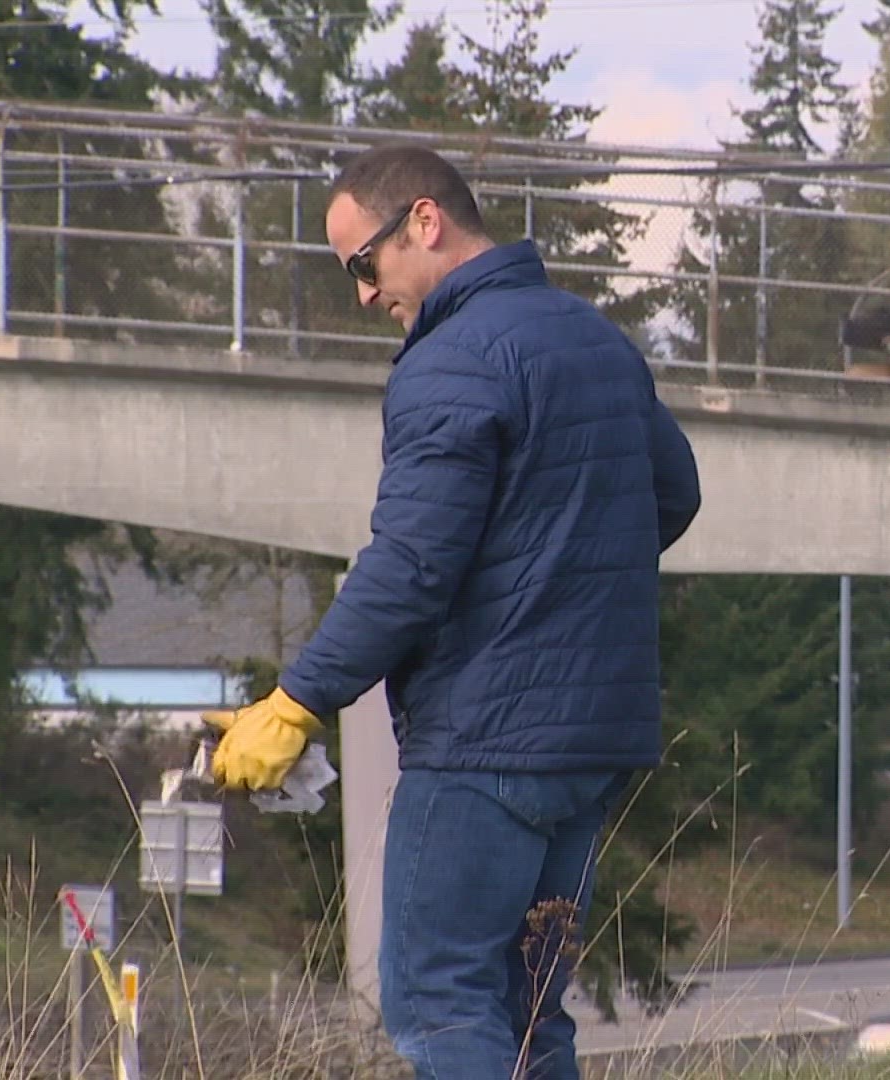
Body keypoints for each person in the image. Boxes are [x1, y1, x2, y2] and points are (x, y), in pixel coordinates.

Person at [200, 144, 702, 1080]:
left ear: (423, 223)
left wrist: (297, 701)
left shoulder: (451, 361)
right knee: (527, 1014)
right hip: (590, 745)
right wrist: (558, 585)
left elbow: (412, 569)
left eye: (363, 265)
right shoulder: (595, 340)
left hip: (485, 743)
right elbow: (671, 496)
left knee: (438, 1002)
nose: (362, 294)